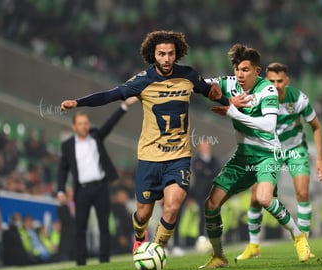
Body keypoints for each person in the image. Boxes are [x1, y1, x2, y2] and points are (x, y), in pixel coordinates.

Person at [59, 30, 234, 258]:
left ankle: (156, 250)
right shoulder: (143, 80)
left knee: (173, 205)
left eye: (171, 53)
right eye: (161, 54)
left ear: (176, 54)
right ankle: (139, 237)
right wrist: (78, 102)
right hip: (149, 157)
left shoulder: (188, 75)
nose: (166, 58)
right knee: (142, 214)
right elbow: (111, 95)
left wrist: (231, 104)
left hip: (178, 156)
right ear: (154, 55)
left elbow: (210, 92)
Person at [199, 45, 312, 269]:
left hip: (268, 155)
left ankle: (298, 236)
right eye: (237, 69)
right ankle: (219, 256)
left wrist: (232, 111)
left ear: (257, 71)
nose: (240, 74)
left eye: (245, 69)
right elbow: (200, 84)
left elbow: (268, 126)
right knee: (211, 205)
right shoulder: (229, 83)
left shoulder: (267, 90)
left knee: (263, 198)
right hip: (242, 157)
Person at [236, 62, 322, 261]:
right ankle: (254, 245)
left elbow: (316, 127)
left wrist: (320, 158)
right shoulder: (256, 98)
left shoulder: (299, 99)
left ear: (287, 81)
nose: (275, 85)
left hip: (295, 149)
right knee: (256, 196)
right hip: (269, 151)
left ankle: (305, 245)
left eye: (279, 81)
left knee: (302, 192)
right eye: (271, 81)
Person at [57, 97, 136, 265]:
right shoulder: (68, 145)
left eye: (86, 122)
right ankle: (80, 263)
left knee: (104, 226)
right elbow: (62, 169)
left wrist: (124, 106)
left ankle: (104, 261)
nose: (84, 126)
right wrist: (60, 190)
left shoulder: (96, 136)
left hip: (101, 187)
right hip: (82, 190)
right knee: (81, 227)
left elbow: (110, 123)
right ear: (74, 126)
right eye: (80, 123)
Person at [191, 141, 221, 236]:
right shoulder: (196, 161)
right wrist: (209, 172)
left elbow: (217, 171)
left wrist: (207, 172)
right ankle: (201, 236)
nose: (206, 150)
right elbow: (199, 172)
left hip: (212, 191)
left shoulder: (214, 160)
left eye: (207, 147)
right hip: (201, 193)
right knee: (202, 214)